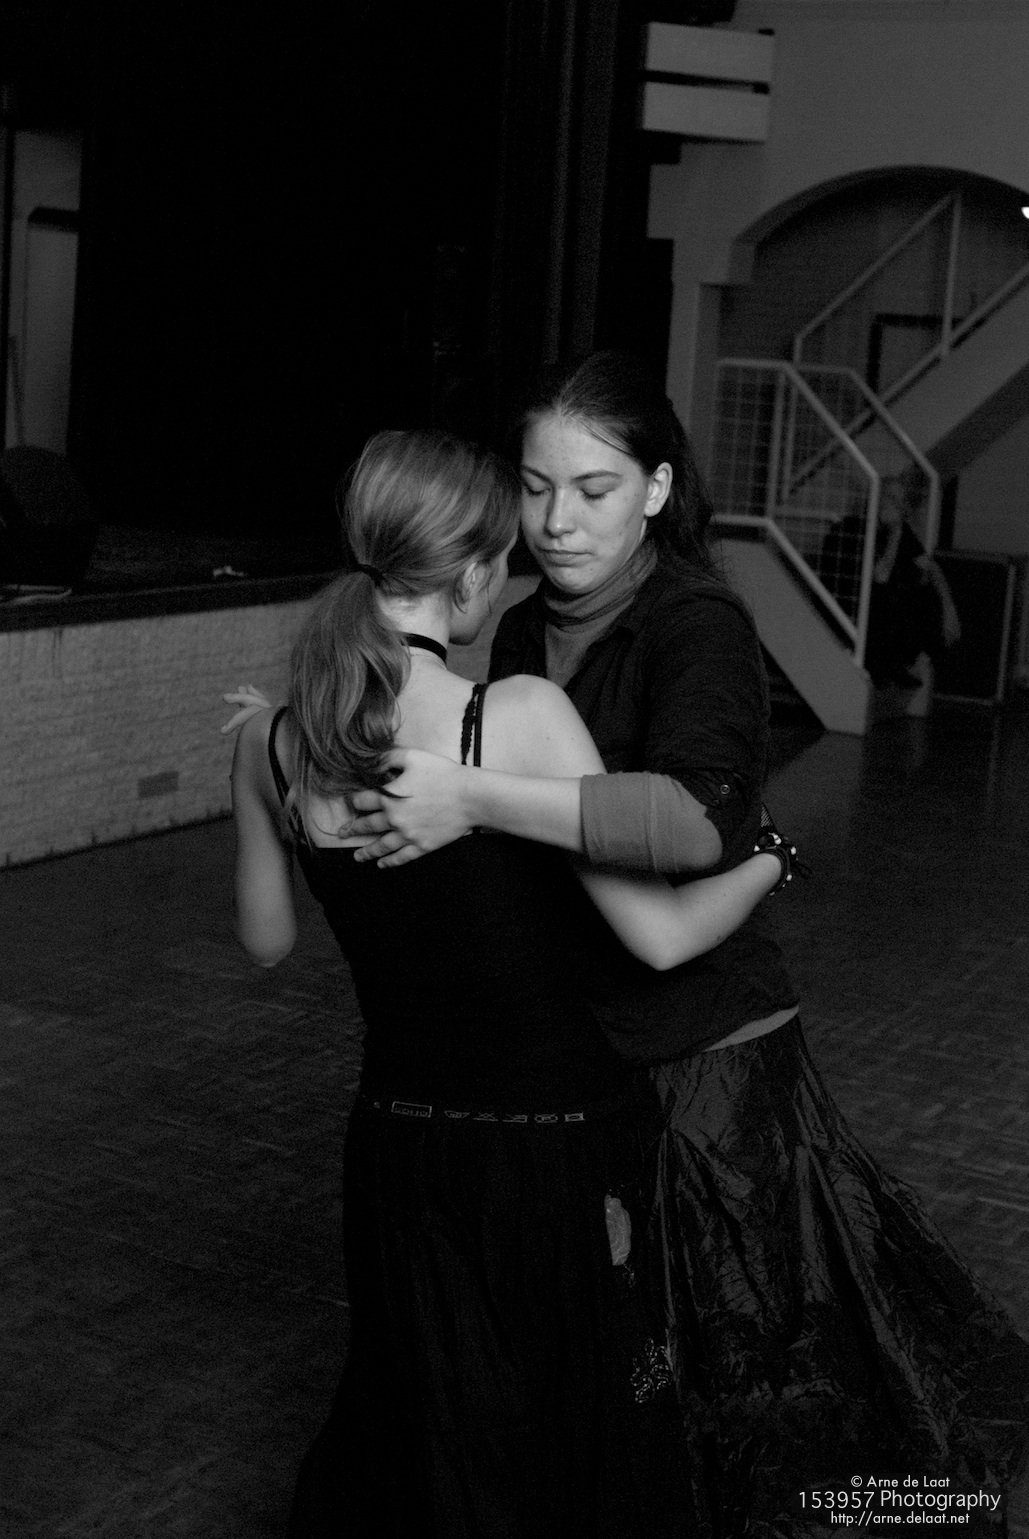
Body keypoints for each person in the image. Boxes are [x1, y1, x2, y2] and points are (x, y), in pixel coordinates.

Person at [344, 355, 1029, 1537]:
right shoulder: (516, 627)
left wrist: (477, 799)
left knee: (758, 1379)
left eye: (594, 490)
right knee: (621, 1388)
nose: (557, 522)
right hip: (577, 1061)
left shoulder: (695, 623)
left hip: (708, 1053)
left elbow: (699, 820)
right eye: (535, 488)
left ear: (658, 490)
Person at [229, 427, 791, 1537]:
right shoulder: (519, 715)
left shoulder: (272, 742)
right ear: (479, 575)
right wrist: (770, 854)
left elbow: (265, 941)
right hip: (555, 1145)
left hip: (397, 1143)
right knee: (571, 1440)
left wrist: (257, 748)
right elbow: (661, 940)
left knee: (428, 1424)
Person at [818, 472, 962, 689]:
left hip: (879, 612)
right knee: (889, 597)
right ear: (876, 498)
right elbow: (881, 576)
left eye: (901, 500)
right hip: (848, 610)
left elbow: (931, 567)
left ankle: (911, 662)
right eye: (891, 498)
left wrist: (949, 607)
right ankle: (886, 666)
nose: (898, 506)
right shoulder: (851, 529)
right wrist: (896, 533)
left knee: (928, 595)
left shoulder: (897, 531)